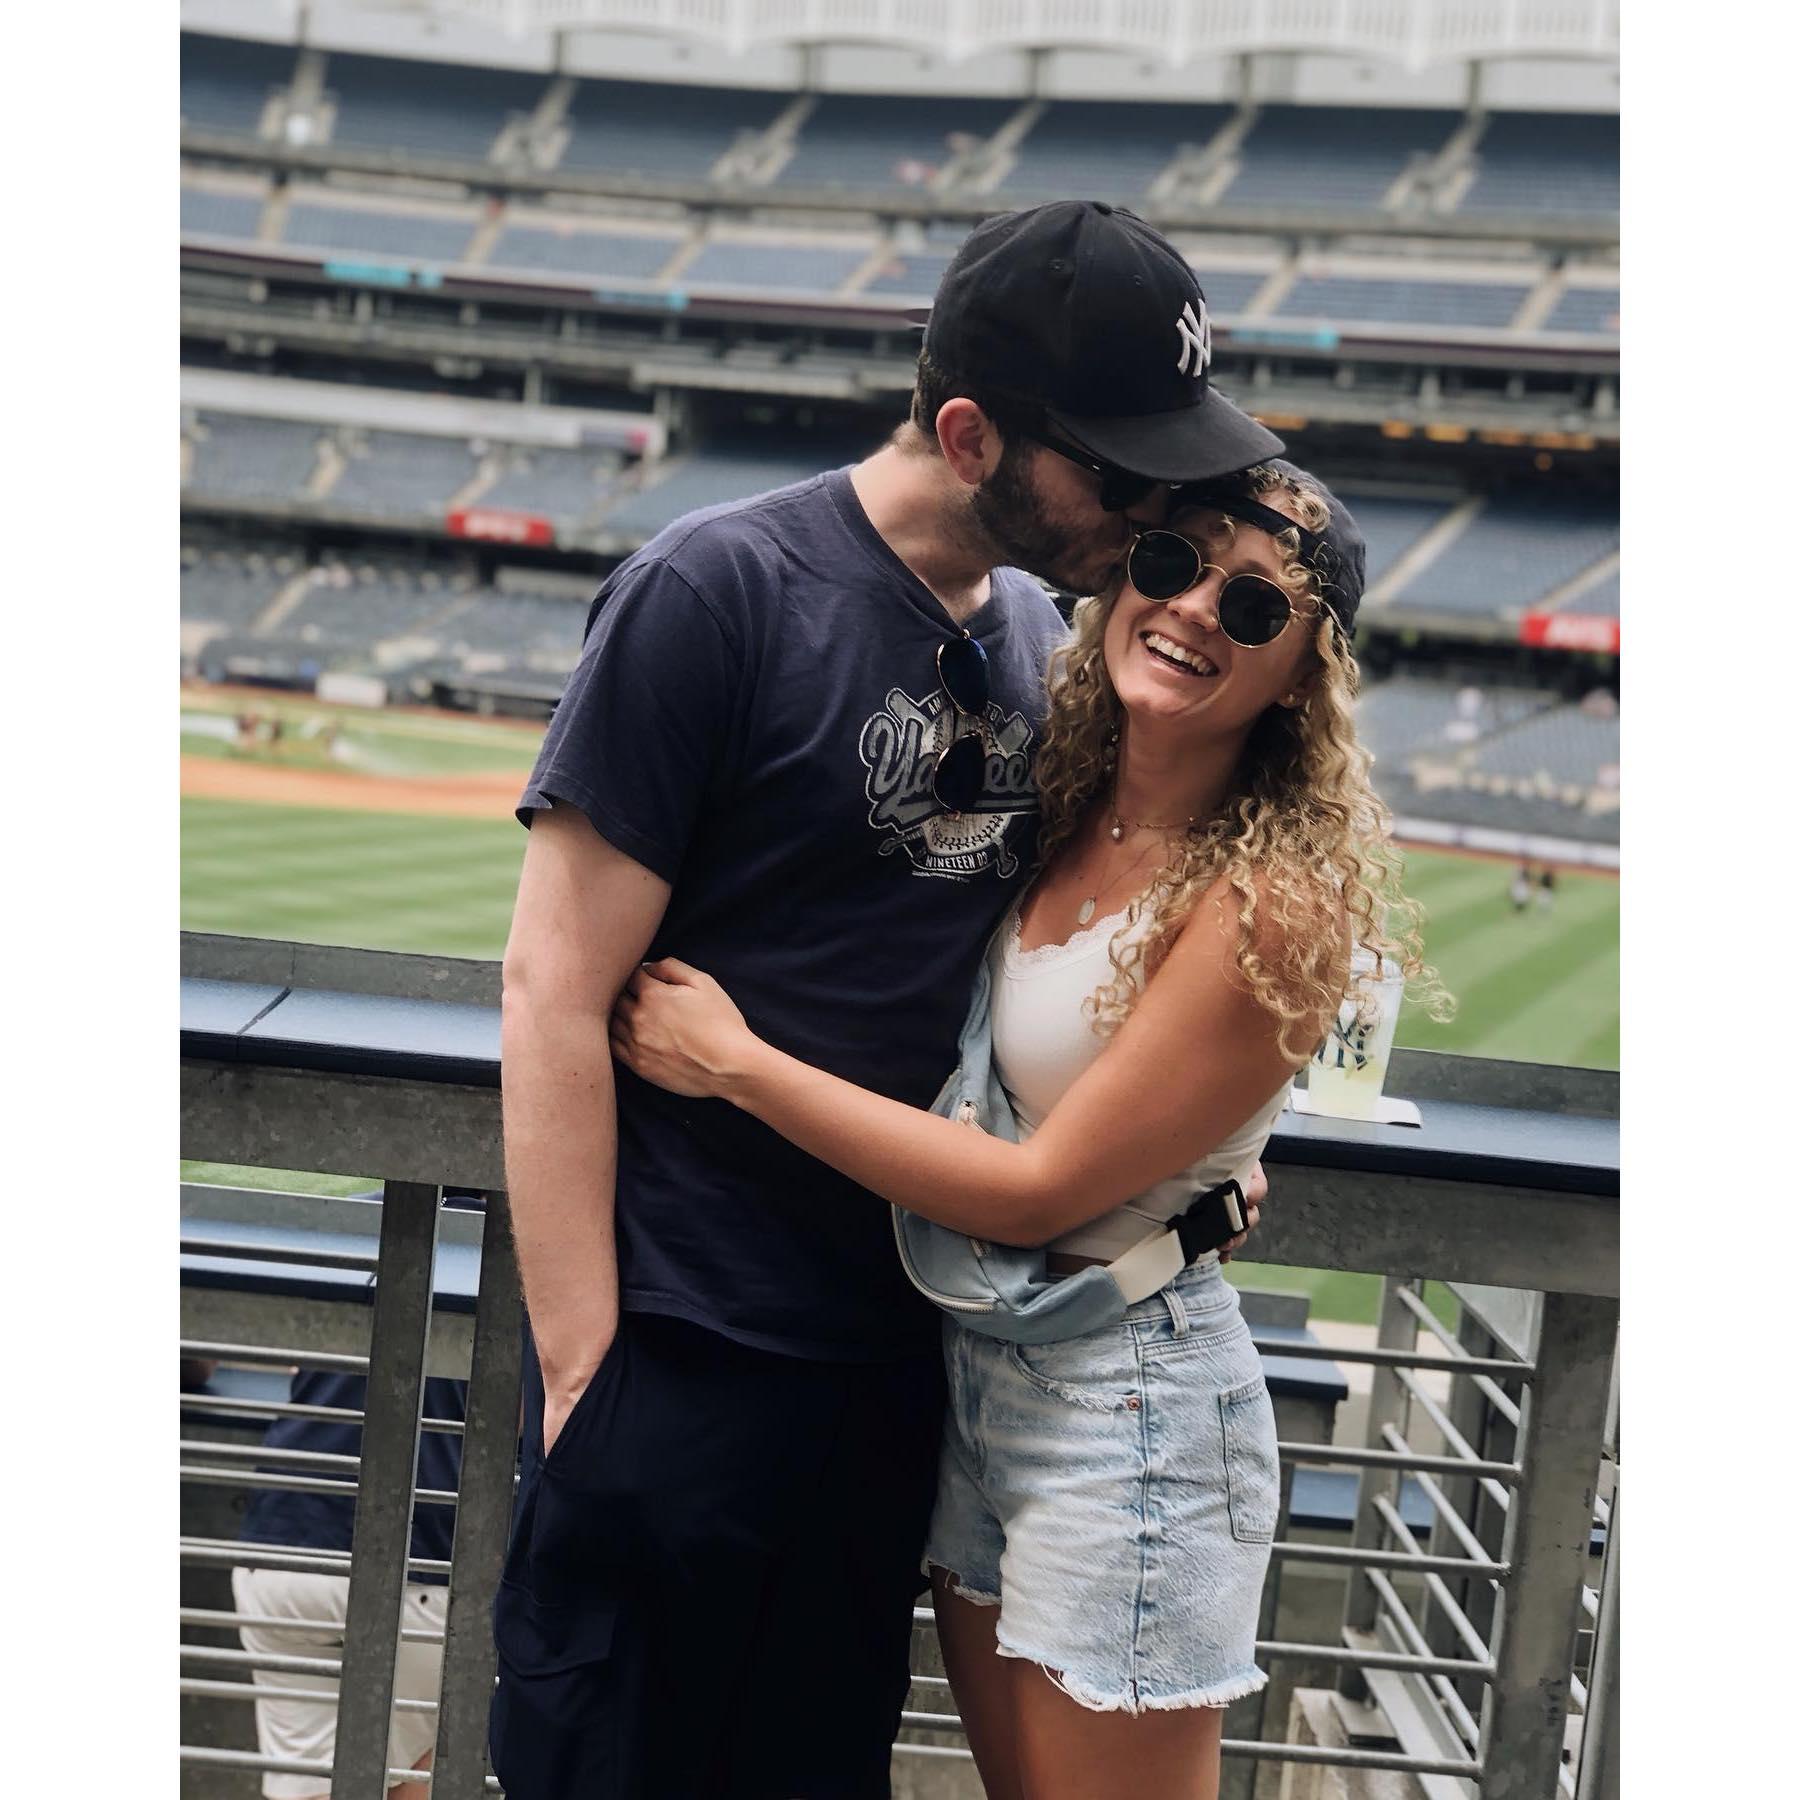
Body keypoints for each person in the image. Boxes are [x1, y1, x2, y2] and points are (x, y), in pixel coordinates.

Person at [490, 199, 1285, 1799]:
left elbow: (1072, 967)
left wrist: (1182, 1180)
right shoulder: (715, 589)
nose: (1152, 512)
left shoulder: (1049, 638)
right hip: (688, 1345)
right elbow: (552, 986)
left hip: (908, 1365)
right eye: (1118, 472)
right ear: (974, 435)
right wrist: (585, 1373)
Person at [611, 460, 1446, 1800]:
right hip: (987, 1372)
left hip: (1131, 1406)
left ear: (1304, 675)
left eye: (1253, 605)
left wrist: (737, 1066)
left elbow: (1036, 1189)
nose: (1192, 608)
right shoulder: (1067, 807)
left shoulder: (1271, 900)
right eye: (1171, 560)